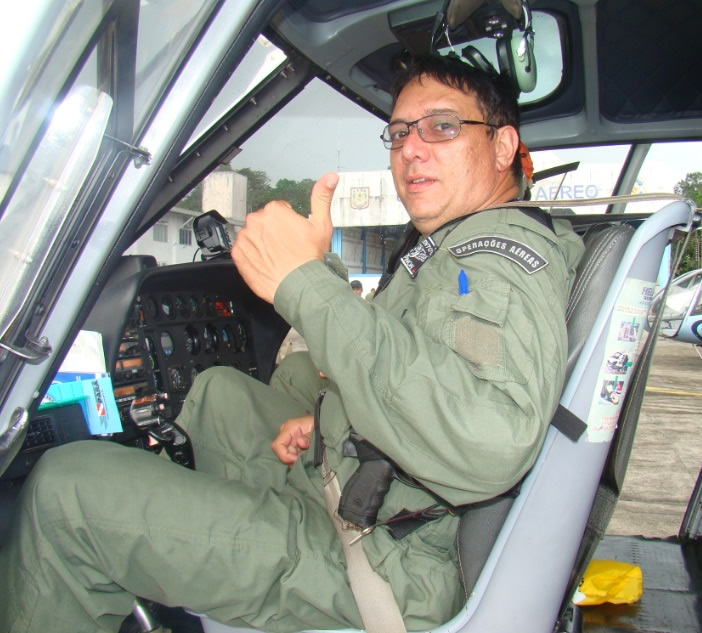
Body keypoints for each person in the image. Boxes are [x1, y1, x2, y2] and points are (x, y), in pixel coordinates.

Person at [0, 54, 583, 632]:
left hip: (387, 559)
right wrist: (335, 416)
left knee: (64, 495)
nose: (411, 147)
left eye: (443, 127)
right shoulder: (457, 243)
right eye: (400, 132)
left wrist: (303, 282)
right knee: (218, 391)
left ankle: (168, 547)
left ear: (504, 147)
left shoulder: (496, 258)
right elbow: (422, 360)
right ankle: (195, 553)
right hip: (374, 493)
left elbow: (488, 438)